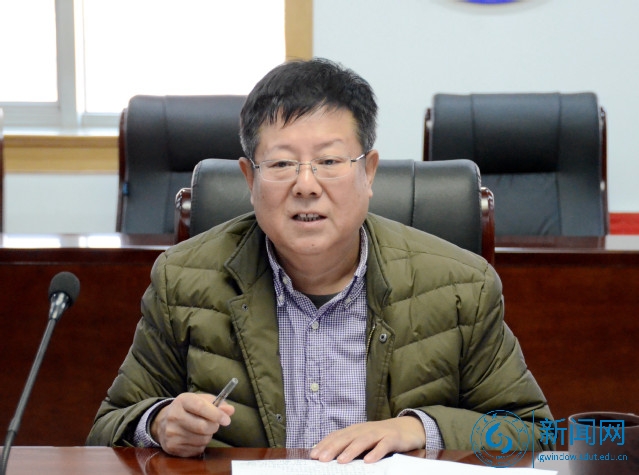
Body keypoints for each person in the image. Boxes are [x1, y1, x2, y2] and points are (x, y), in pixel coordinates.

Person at [86, 58, 553, 462]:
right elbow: (107, 430)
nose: (306, 185)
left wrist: (419, 429)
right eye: (281, 164)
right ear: (250, 179)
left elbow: (534, 431)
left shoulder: (460, 286)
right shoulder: (183, 280)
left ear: (369, 172)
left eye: (329, 162)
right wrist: (158, 422)